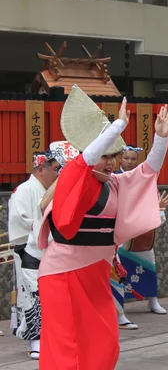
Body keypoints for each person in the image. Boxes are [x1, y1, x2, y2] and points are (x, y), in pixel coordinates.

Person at [36, 89, 168, 370]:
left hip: (95, 274)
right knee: (67, 349)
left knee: (105, 345)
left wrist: (161, 138)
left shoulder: (115, 184)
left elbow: (148, 171)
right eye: (106, 156)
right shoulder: (76, 176)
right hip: (63, 274)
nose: (111, 162)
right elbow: (85, 161)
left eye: (116, 156)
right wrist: (118, 126)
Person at [110, 145, 168, 330]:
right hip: (119, 232)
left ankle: (152, 300)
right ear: (120, 159)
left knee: (149, 264)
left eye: (133, 159)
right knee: (118, 273)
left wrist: (157, 208)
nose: (130, 162)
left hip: (141, 230)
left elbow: (153, 203)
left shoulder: (145, 180)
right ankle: (120, 311)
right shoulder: (114, 180)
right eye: (126, 158)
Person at [8, 151, 59, 360]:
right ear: (41, 170)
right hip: (29, 252)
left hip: (50, 252)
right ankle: (35, 340)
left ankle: (49, 338)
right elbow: (21, 223)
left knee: (50, 296)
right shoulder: (24, 191)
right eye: (56, 169)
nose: (58, 174)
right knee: (33, 297)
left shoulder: (50, 190)